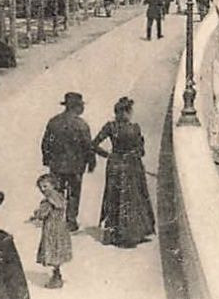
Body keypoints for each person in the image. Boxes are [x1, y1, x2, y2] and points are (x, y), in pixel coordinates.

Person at [93, 97, 155, 247]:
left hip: (115, 165)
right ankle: (134, 233)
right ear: (127, 112)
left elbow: (93, 144)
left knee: (114, 197)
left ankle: (115, 234)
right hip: (132, 165)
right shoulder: (135, 128)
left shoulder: (110, 126)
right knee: (134, 198)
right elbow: (141, 150)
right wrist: (133, 154)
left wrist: (108, 155)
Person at [40, 92, 96, 232]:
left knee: (57, 191)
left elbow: (45, 143)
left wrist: (47, 159)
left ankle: (56, 218)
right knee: (74, 193)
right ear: (76, 107)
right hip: (75, 167)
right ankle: (71, 221)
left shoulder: (54, 122)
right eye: (81, 106)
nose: (82, 108)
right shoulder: (81, 124)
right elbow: (88, 146)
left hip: (57, 165)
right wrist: (91, 162)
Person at [30, 173, 73, 288]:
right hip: (61, 228)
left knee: (52, 252)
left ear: (53, 185)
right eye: (41, 187)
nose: (43, 190)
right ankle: (57, 275)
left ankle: (56, 278)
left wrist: (36, 215)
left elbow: (42, 213)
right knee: (58, 251)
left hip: (51, 229)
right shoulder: (60, 197)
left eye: (45, 186)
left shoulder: (49, 201)